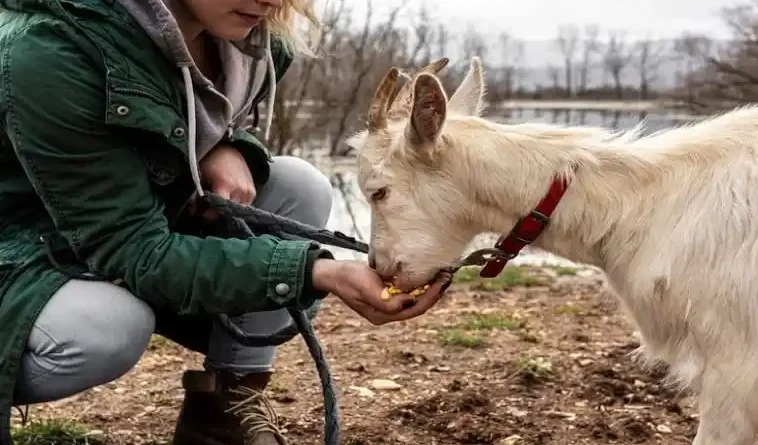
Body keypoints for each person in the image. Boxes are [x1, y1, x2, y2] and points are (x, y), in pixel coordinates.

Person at [0, 0, 452, 444]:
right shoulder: (49, 48)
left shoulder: (247, 44)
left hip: (106, 228)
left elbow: (166, 121)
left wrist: (230, 145)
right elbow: (132, 248)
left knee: (297, 188)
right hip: (19, 250)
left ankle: (224, 410)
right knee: (107, 328)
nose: (273, 1)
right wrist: (318, 271)